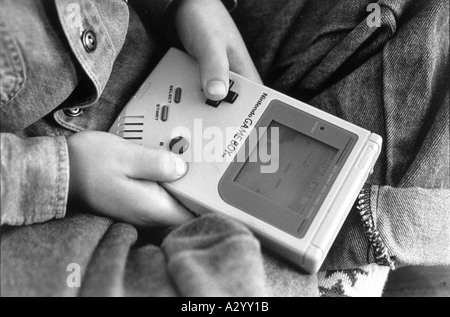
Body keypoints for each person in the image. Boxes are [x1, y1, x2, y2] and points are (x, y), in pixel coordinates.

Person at [1, 0, 449, 297]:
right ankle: (318, 262)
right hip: (54, 215)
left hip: (181, 45)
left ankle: (337, 239)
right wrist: (63, 175)